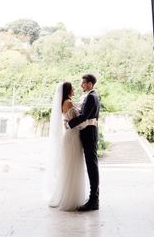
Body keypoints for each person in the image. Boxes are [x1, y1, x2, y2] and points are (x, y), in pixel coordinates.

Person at [46, 81, 87, 211]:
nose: (74, 89)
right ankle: (72, 198)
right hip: (73, 136)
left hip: (69, 135)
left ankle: (66, 195)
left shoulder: (64, 103)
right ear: (68, 90)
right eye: (72, 88)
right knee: (73, 166)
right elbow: (77, 120)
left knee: (69, 166)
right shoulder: (68, 102)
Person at [67, 74, 100, 211]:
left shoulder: (92, 97)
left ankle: (94, 200)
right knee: (91, 165)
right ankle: (93, 198)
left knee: (92, 166)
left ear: (90, 84)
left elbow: (85, 116)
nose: (81, 85)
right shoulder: (90, 96)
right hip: (88, 133)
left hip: (89, 133)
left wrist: (69, 124)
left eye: (84, 83)